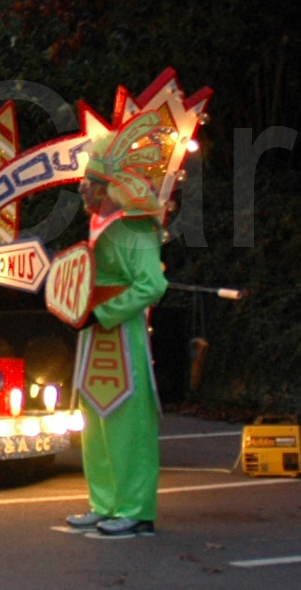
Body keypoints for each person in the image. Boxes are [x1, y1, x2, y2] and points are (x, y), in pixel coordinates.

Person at [59, 74, 206, 540]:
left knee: (128, 427)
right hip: (95, 333)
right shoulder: (102, 228)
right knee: (96, 425)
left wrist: (106, 312)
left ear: (111, 185)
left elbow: (153, 285)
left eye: (91, 183)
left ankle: (135, 508)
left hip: (118, 336)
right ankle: (104, 503)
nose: (83, 190)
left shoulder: (136, 230)